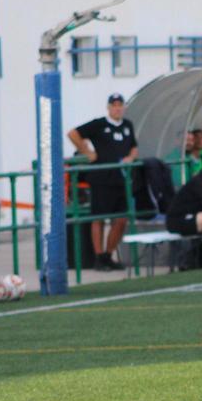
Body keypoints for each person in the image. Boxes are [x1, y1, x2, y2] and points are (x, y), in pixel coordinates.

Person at [68, 93, 137, 270]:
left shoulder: (127, 125)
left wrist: (130, 158)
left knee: (121, 219)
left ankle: (108, 255)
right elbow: (73, 134)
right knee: (98, 218)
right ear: (108, 107)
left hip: (120, 179)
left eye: (120, 105)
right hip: (101, 179)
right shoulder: (99, 124)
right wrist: (87, 152)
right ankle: (99, 257)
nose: (117, 108)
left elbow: (134, 147)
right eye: (114, 105)